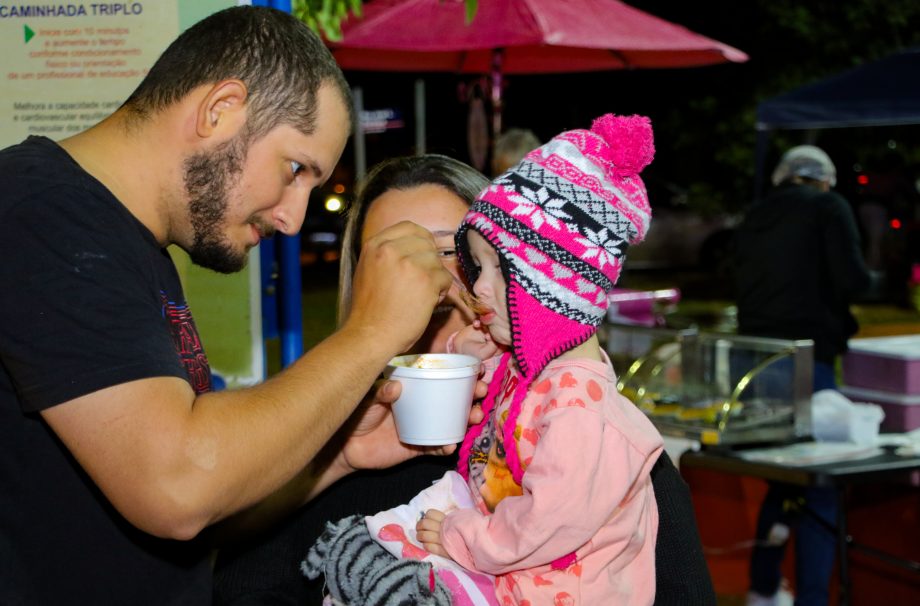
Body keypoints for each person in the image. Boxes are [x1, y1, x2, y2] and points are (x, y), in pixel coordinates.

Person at [0, 7, 468, 605]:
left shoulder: (127, 246)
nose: (293, 218)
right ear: (220, 109)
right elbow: (177, 488)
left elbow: (203, 507)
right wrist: (371, 331)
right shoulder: (44, 217)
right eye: (295, 169)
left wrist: (336, 458)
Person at [308, 114, 666, 605]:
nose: (473, 285)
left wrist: (462, 535)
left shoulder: (583, 413)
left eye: (489, 266)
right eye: (391, 256)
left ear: (552, 285)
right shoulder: (528, 375)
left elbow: (545, 521)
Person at [213, 154, 490, 605]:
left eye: (448, 251)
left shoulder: (566, 423)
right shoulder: (326, 445)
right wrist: (337, 456)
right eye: (391, 256)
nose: (424, 275)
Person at [733, 145, 872, 606]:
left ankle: (763, 587)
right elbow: (852, 280)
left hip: (753, 362)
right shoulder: (829, 208)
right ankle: (812, 597)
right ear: (825, 181)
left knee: (781, 478)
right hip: (808, 362)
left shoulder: (755, 215)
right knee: (820, 484)